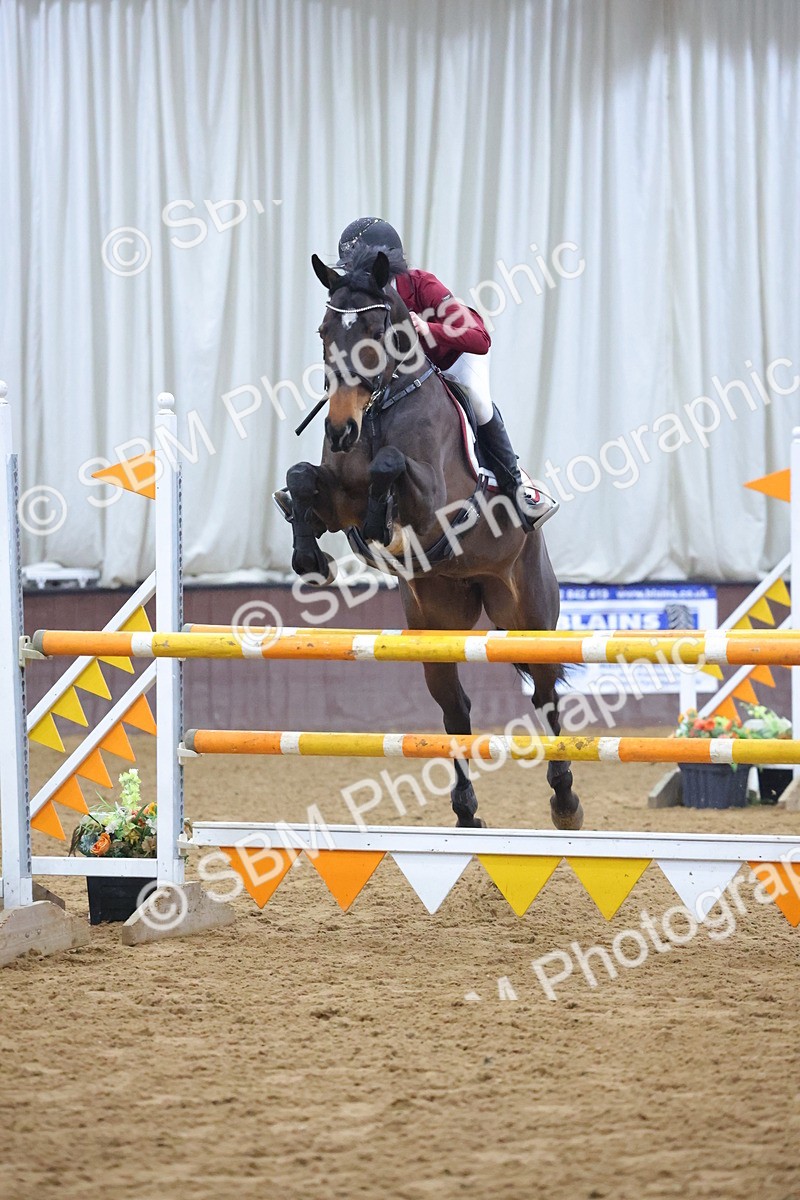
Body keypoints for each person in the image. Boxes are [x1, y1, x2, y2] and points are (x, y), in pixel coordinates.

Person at [336, 217, 558, 533]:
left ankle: (517, 486)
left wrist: (430, 329)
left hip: (456, 356)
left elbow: (480, 337)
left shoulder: (422, 285)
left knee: (479, 402)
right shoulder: (361, 303)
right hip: (409, 373)